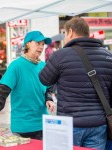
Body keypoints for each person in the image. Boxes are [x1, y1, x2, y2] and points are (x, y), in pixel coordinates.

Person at [39, 17, 112, 150]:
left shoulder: (60, 55)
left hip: (70, 125)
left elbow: (44, 79)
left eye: (65, 34)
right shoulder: (108, 56)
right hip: (99, 125)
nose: (65, 37)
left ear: (71, 32)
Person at [0, 31, 56, 140]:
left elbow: (48, 88)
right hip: (22, 128)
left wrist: (49, 98)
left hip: (42, 125)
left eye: (42, 44)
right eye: (38, 43)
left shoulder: (43, 66)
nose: (41, 47)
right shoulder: (16, 66)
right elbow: (1, 92)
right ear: (27, 44)